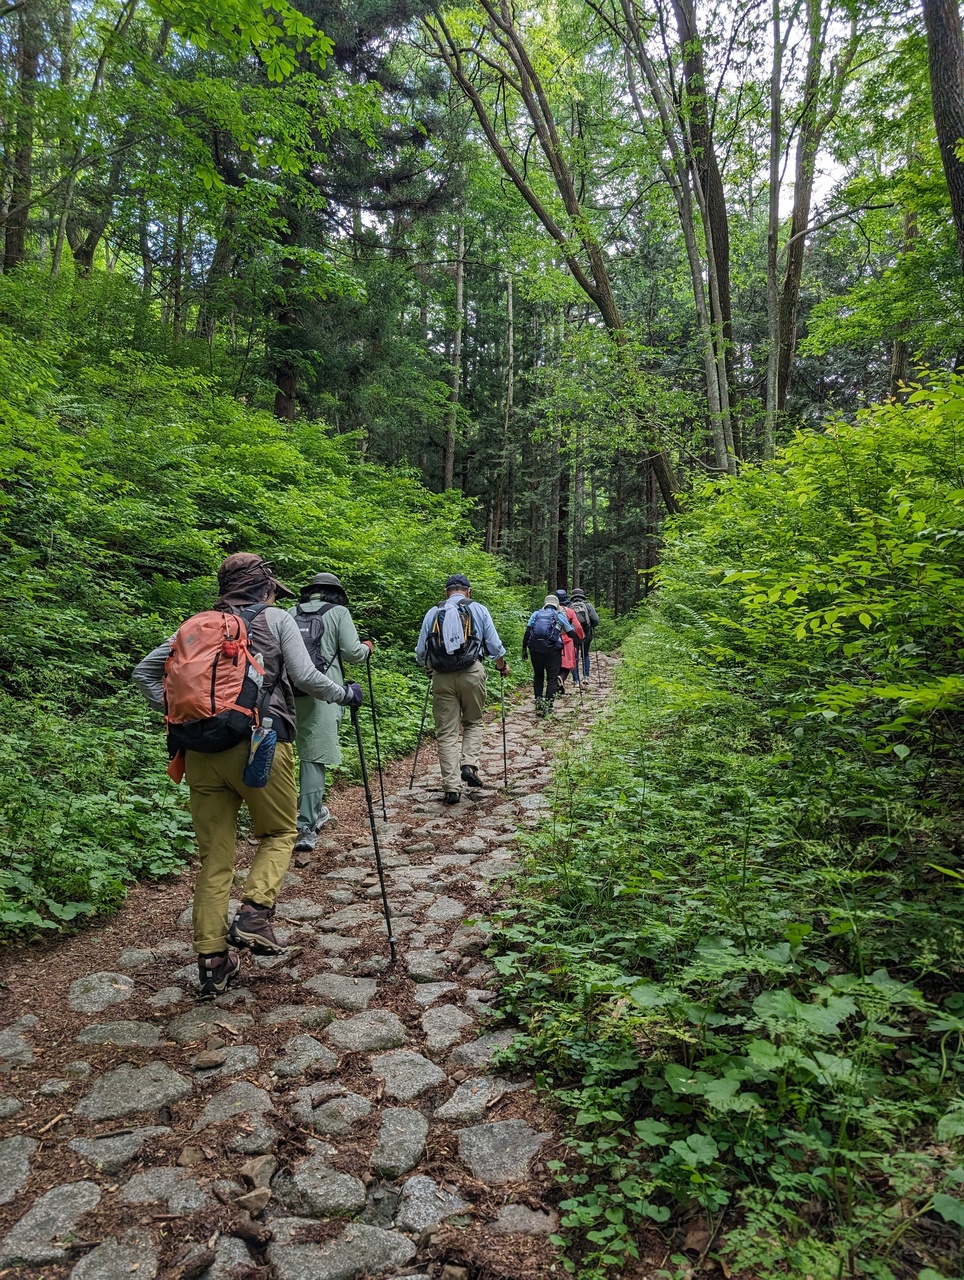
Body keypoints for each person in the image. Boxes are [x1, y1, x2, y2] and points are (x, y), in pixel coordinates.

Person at [133, 553, 364, 998]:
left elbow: (145, 672)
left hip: (199, 750)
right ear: (264, 588)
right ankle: (255, 912)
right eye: (273, 589)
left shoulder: (195, 626)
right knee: (279, 832)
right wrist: (345, 694)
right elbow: (305, 676)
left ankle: (213, 960)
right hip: (261, 743)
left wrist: (181, 715)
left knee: (214, 859)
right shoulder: (276, 619)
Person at [290, 572, 373, 853]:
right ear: (336, 593)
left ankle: (281, 815)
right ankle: (306, 825)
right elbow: (352, 653)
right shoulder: (338, 612)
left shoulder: (289, 612)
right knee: (313, 757)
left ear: (310, 592)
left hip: (286, 692)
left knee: (283, 753)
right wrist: (367, 649)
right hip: (324, 693)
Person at [414, 573, 509, 804]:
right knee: (473, 721)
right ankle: (469, 764)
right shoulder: (478, 609)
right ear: (469, 590)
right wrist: (502, 667)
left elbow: (420, 652)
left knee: (446, 732)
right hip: (471, 672)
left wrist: (430, 669)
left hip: (441, 677)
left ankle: (451, 788)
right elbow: (494, 645)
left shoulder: (433, 612)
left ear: (446, 591)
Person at [522, 594, 573, 716]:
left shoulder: (535, 614)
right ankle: (548, 706)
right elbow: (570, 633)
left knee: (538, 675)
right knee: (552, 679)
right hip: (553, 651)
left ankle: (539, 701)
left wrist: (524, 649)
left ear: (545, 604)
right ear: (556, 605)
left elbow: (528, 632)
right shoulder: (559, 615)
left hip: (535, 650)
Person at [553, 588, 585, 693]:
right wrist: (581, 636)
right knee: (567, 664)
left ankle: (556, 685)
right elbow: (578, 626)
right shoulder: (569, 612)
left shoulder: (549, 611)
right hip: (567, 641)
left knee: (555, 663)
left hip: (552, 640)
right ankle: (561, 679)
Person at [570, 588, 600, 686]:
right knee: (585, 654)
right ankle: (586, 676)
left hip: (573, 635)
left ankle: (576, 681)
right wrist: (591, 626)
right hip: (586, 634)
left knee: (574, 657)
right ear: (582, 596)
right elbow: (595, 620)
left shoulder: (569, 606)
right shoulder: (588, 605)